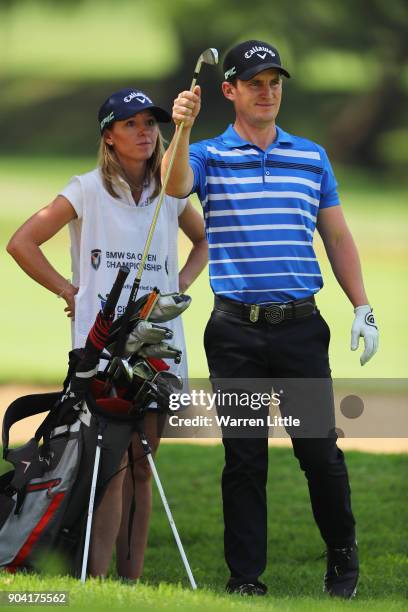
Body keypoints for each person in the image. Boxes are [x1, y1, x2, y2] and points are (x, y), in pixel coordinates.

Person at [161, 40, 379, 599]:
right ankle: (244, 579)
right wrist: (181, 128)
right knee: (244, 458)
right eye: (254, 82)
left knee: (319, 452)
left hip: (301, 329)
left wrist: (362, 305)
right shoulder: (209, 155)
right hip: (235, 331)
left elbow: (336, 235)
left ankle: (343, 557)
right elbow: (172, 185)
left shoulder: (311, 156)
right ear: (228, 90)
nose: (267, 91)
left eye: (274, 81)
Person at [6, 87, 208, 579]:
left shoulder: (171, 191)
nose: (146, 132)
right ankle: (97, 578)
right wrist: (68, 291)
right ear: (109, 137)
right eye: (132, 124)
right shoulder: (86, 189)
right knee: (111, 465)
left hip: (160, 349)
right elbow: (22, 242)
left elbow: (204, 241)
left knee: (143, 463)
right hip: (101, 350)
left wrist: (178, 282)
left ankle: (131, 579)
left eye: (151, 123)